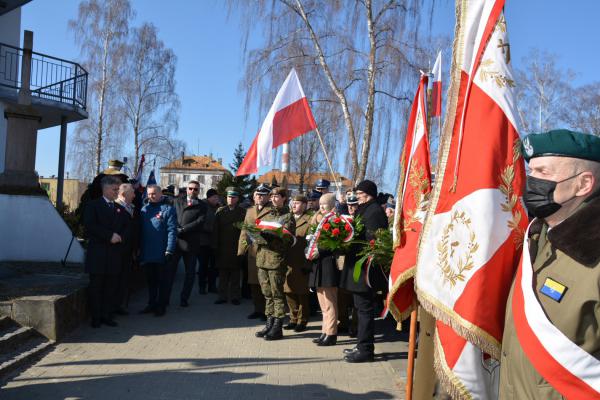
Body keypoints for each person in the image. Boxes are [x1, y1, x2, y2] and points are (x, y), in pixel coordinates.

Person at [499, 129, 600, 399]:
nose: (531, 181)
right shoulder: (535, 239)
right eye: (531, 172)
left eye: (543, 173)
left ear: (583, 184)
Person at [339, 179, 388, 362]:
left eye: (359, 194)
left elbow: (373, 239)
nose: (356, 197)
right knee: (360, 309)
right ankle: (361, 344)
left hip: (365, 269)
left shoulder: (374, 211)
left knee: (365, 311)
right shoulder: (366, 208)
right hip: (358, 266)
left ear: (367, 194)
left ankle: (366, 350)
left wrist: (353, 234)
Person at [83, 176, 131, 328]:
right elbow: (90, 226)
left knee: (111, 288)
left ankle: (107, 315)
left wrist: (120, 237)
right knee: (96, 287)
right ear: (105, 189)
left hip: (114, 255)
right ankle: (96, 317)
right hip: (97, 254)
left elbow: (127, 228)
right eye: (114, 189)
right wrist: (109, 236)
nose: (117, 192)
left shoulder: (120, 209)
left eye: (118, 189)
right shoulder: (93, 205)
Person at [255, 187, 296, 341]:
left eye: (276, 196)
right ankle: (269, 323)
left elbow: (287, 240)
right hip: (262, 259)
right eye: (271, 196)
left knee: (277, 294)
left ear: (284, 198)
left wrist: (273, 235)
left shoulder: (288, 217)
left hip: (276, 260)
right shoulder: (268, 214)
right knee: (267, 294)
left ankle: (277, 327)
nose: (273, 199)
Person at [139, 184, 177, 317]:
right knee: (151, 281)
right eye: (149, 194)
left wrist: (169, 250)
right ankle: (151, 303)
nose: (151, 196)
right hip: (147, 252)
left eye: (154, 193)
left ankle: (161, 305)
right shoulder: (144, 210)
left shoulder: (168, 209)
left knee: (163, 281)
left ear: (161, 194)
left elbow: (172, 231)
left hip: (162, 252)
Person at [309, 193, 341, 346]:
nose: (321, 207)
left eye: (325, 204)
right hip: (318, 264)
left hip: (328, 264)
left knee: (330, 302)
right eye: (320, 204)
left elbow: (335, 242)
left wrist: (320, 250)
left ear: (332, 205)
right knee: (322, 302)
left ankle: (332, 333)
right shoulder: (317, 219)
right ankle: (324, 331)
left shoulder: (335, 220)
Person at [171, 180, 208, 307]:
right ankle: (164, 299)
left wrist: (183, 229)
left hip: (191, 244)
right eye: (191, 188)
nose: (193, 191)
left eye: (196, 189)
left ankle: (184, 298)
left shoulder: (202, 205)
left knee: (190, 273)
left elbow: (200, 221)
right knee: (170, 272)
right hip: (176, 241)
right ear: (187, 189)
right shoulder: (177, 201)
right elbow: (171, 217)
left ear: (199, 191)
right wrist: (176, 229)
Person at [238, 184, 271, 320]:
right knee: (253, 282)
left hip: (266, 251)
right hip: (252, 252)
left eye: (263, 195)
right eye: (257, 195)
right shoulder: (250, 211)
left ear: (268, 197)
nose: (260, 197)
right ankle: (257, 309)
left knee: (266, 284)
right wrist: (241, 250)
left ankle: (266, 312)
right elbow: (244, 231)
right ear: (253, 197)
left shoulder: (272, 211)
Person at [283, 194, 312, 333]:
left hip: (301, 261)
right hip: (288, 261)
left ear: (305, 205)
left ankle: (302, 320)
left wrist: (308, 264)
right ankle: (293, 319)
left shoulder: (310, 220)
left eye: (297, 203)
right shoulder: (286, 218)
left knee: (302, 293)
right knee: (289, 292)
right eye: (293, 202)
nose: (294, 205)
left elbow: (312, 243)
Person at [213, 187, 246, 305]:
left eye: (233, 197)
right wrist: (215, 246)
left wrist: (243, 248)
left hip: (236, 246)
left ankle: (235, 296)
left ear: (237, 199)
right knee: (223, 273)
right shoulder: (220, 211)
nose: (230, 199)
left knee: (236, 273)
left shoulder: (243, 212)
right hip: (222, 246)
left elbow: (245, 231)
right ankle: (222, 296)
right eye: (229, 197)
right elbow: (215, 230)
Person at [114, 183, 139, 315]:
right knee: (115, 280)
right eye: (132, 192)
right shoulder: (114, 207)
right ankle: (111, 307)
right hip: (117, 251)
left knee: (124, 279)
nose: (135, 195)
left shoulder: (132, 208)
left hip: (129, 251)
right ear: (123, 194)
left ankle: (118, 305)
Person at [201, 188, 220, 293]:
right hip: (204, 241)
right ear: (209, 198)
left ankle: (212, 286)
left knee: (214, 266)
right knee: (203, 265)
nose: (216, 199)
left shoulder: (219, 208)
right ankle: (202, 286)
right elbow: (200, 222)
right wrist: (212, 229)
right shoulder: (203, 206)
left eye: (217, 197)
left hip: (214, 242)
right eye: (214, 197)